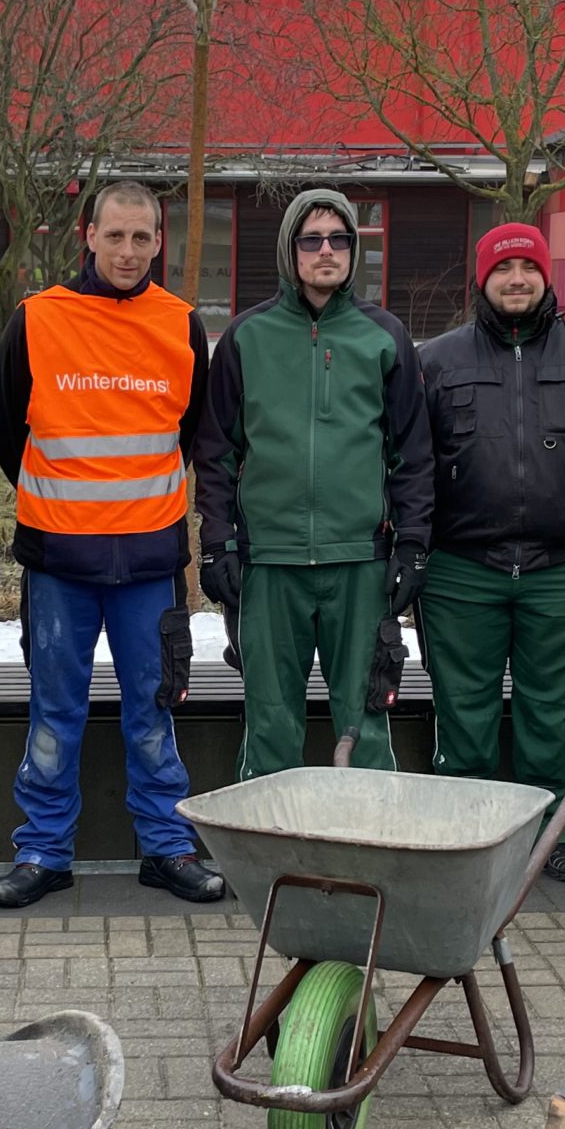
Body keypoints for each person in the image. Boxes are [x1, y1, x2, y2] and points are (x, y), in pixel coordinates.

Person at [0, 182, 226, 908]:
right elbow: (5, 431)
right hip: (59, 562)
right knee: (54, 713)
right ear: (87, 236)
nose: (127, 251)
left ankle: (166, 847)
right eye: (114, 236)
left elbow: (190, 434)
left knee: (153, 711)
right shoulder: (37, 319)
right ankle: (43, 850)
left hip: (150, 563)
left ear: (159, 242)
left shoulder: (181, 325)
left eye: (141, 238)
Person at [417, 223, 565, 882]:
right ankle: (470, 838)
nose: (516, 280)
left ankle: (554, 837)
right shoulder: (438, 361)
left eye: (528, 268)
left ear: (546, 276)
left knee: (552, 714)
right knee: (464, 715)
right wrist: (417, 553)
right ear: (481, 278)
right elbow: (410, 465)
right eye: (502, 269)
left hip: (562, 569)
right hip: (461, 571)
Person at [197, 187, 430, 777]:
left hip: (360, 563)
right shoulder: (246, 337)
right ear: (290, 250)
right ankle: (269, 837)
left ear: (353, 249)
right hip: (269, 564)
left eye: (339, 239)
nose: (326, 251)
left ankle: (368, 834)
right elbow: (216, 452)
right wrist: (218, 540)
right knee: (270, 727)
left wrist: (411, 545)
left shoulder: (385, 337)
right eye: (312, 240)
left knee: (365, 725)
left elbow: (412, 455)